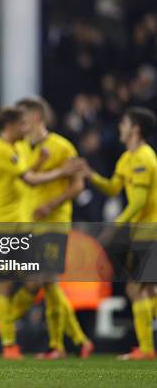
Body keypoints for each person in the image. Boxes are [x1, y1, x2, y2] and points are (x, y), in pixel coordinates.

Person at [0, 107, 85, 359]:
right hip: (0, 228)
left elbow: (26, 171)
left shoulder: (17, 149)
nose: (25, 128)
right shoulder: (0, 149)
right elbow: (29, 179)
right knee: (7, 284)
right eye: (21, 124)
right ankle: (9, 343)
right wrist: (62, 171)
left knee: (36, 280)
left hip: (21, 227)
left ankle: (6, 322)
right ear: (9, 124)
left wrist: (40, 161)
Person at [14, 98, 92, 360]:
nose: (20, 123)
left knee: (47, 280)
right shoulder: (22, 147)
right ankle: (75, 340)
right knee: (46, 284)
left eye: (23, 117)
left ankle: (58, 344)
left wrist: (51, 204)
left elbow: (79, 184)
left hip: (54, 222)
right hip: (29, 225)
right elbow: (25, 181)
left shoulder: (61, 146)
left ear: (37, 116)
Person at [80, 107, 157, 360]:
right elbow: (113, 188)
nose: (120, 128)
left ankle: (146, 349)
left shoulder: (145, 158)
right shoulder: (127, 158)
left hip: (151, 230)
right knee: (141, 291)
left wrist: (114, 228)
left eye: (124, 123)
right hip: (141, 232)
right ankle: (146, 348)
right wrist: (90, 175)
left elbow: (139, 203)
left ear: (135, 128)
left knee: (137, 289)